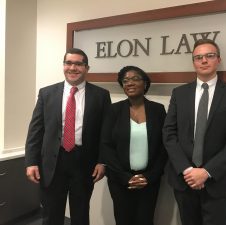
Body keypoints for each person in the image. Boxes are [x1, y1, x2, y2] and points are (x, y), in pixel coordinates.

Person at [163, 39, 226, 225]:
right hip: (184, 181)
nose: (204, 61)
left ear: (218, 59)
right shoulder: (179, 93)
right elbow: (169, 134)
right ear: (193, 62)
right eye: (198, 57)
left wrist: (206, 172)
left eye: (209, 56)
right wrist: (187, 170)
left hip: (217, 182)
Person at [25, 48, 111, 225]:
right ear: (63, 66)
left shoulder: (101, 95)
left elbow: (105, 133)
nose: (73, 68)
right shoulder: (46, 93)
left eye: (78, 64)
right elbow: (36, 130)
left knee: (80, 213)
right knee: (51, 213)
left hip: (84, 162)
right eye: (68, 63)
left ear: (87, 68)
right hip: (52, 163)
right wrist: (31, 162)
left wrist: (102, 161)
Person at [101, 66, 167, 225]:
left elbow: (164, 147)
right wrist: (126, 177)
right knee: (123, 220)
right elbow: (106, 146)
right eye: (125, 81)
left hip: (149, 180)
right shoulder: (113, 110)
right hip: (120, 180)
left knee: (145, 220)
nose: (130, 83)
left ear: (145, 84)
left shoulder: (158, 110)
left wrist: (149, 177)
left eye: (135, 79)